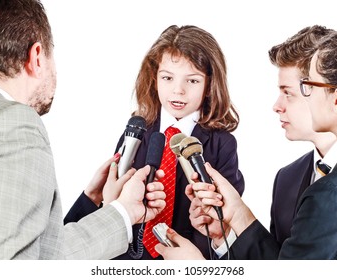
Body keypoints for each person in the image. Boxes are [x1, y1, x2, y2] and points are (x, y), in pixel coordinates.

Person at [0, 0, 166, 260]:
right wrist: (123, 212)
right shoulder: (16, 123)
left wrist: (88, 202)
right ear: (37, 57)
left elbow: (34, 251)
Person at [156, 26, 337, 260]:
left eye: (291, 92)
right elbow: (280, 263)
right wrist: (231, 228)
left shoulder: (330, 191)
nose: (276, 105)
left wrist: (199, 269)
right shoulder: (287, 179)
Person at [65, 24, 245, 260]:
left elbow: (224, 221)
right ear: (155, 78)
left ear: (210, 85)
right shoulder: (136, 133)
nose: (178, 91)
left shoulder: (222, 144)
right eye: (168, 78)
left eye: (192, 81)